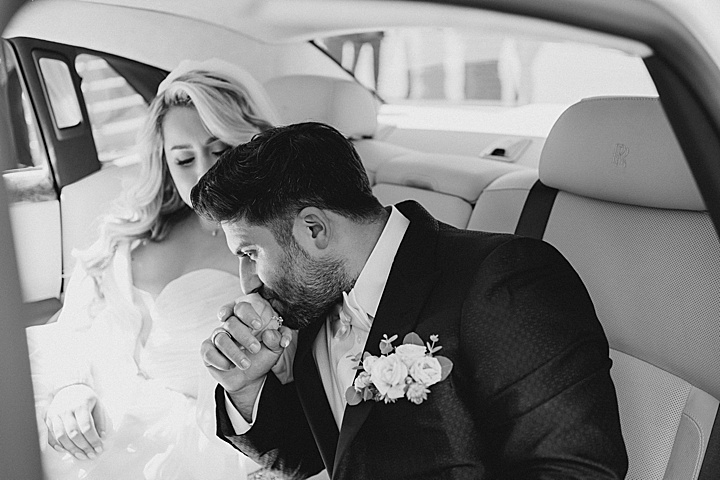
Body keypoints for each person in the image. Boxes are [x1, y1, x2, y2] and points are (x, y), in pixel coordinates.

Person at [191, 121, 629, 479]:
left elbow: (574, 470)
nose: (246, 283)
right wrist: (246, 386)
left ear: (314, 230)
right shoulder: (311, 302)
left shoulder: (504, 278)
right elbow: (327, 459)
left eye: (250, 254)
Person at [26, 58, 288, 480]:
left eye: (221, 151)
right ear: (165, 162)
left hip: (204, 441)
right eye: (184, 159)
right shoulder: (135, 234)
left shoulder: (277, 246)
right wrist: (70, 387)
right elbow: (76, 328)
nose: (205, 174)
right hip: (107, 415)